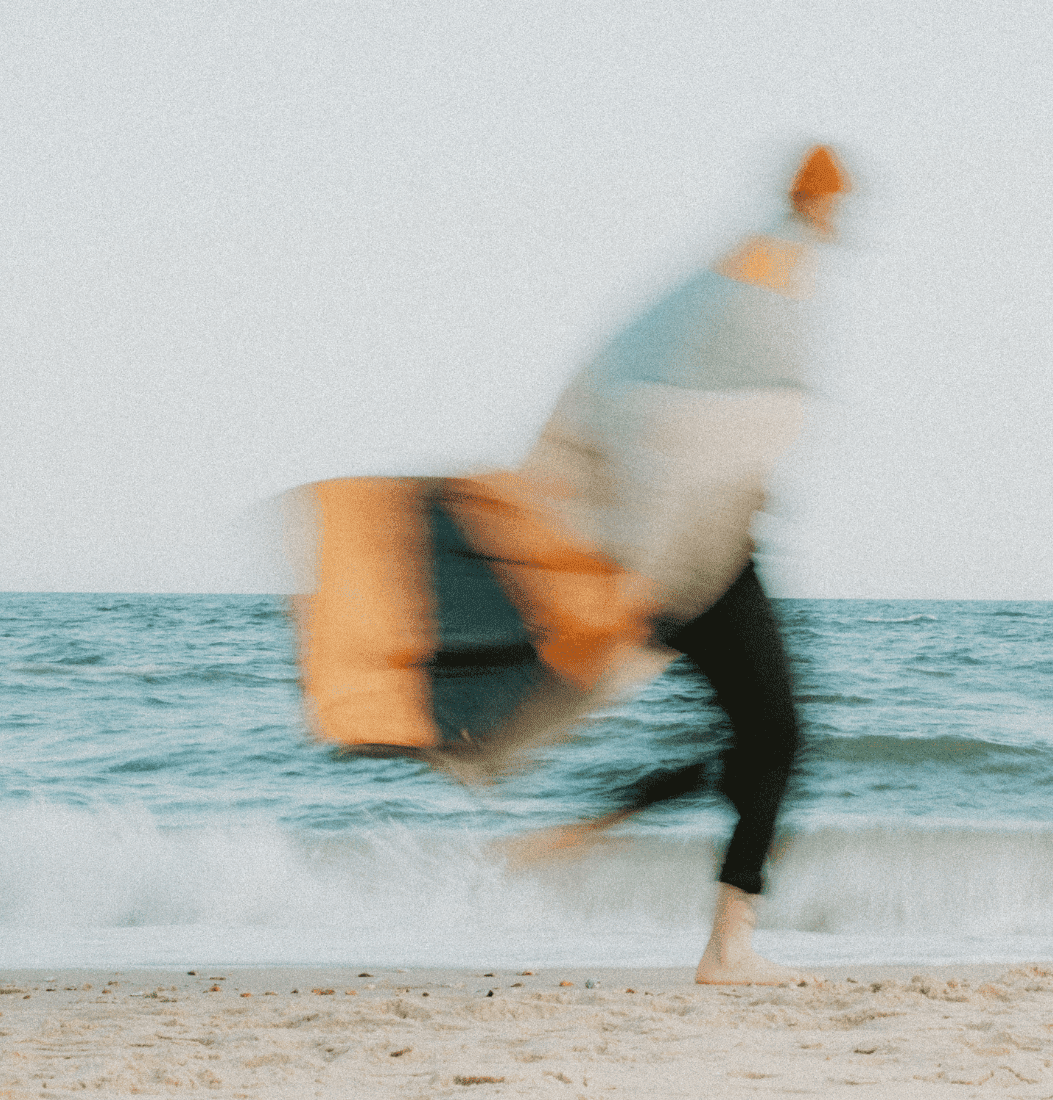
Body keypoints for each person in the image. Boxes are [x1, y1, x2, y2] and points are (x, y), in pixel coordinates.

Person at [290, 146, 848, 985]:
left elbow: (667, 393)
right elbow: (695, 409)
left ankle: (596, 830)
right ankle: (720, 943)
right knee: (775, 738)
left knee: (755, 739)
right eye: (832, 201)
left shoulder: (737, 275)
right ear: (820, 202)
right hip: (695, 561)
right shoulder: (765, 274)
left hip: (684, 554)